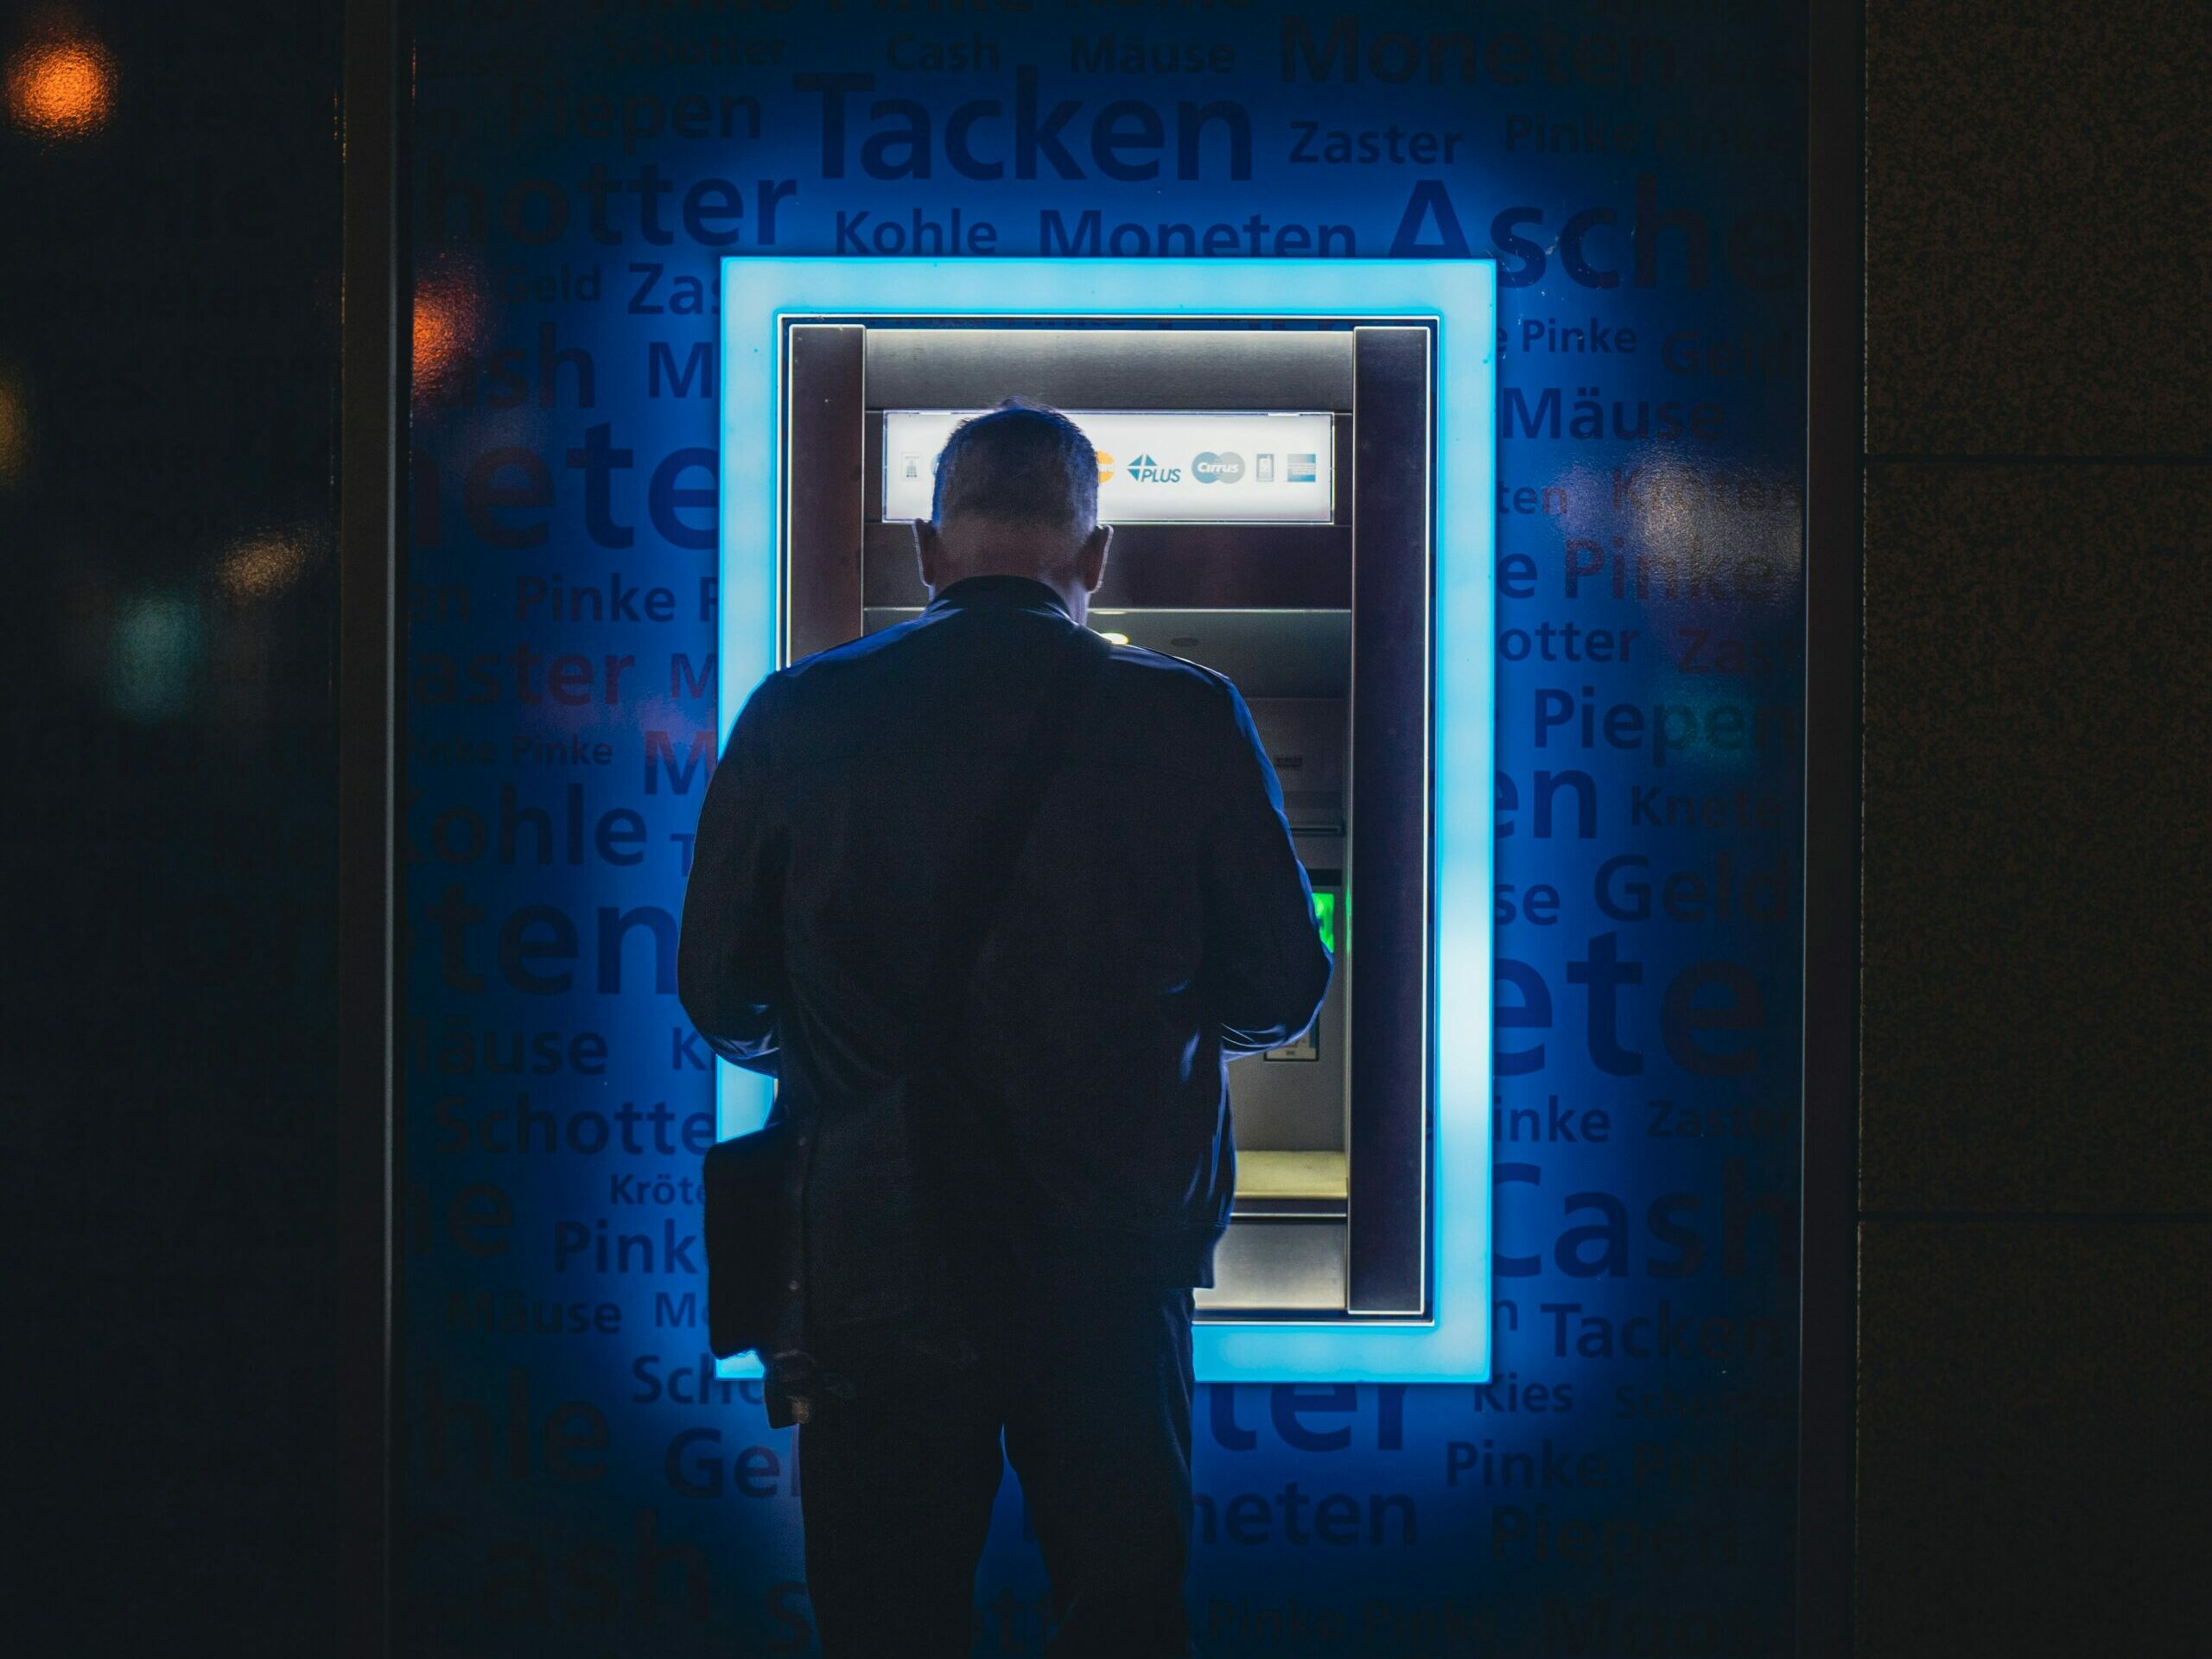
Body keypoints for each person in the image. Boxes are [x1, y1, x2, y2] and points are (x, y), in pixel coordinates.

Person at [677, 401, 1332, 1657]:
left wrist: (851, 1067)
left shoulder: (798, 714)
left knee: (887, 1622)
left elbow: (724, 997)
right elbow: (1280, 992)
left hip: (876, 1260)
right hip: (1109, 1263)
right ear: (1094, 558)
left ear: (930, 549)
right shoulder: (1187, 715)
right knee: (1124, 1614)